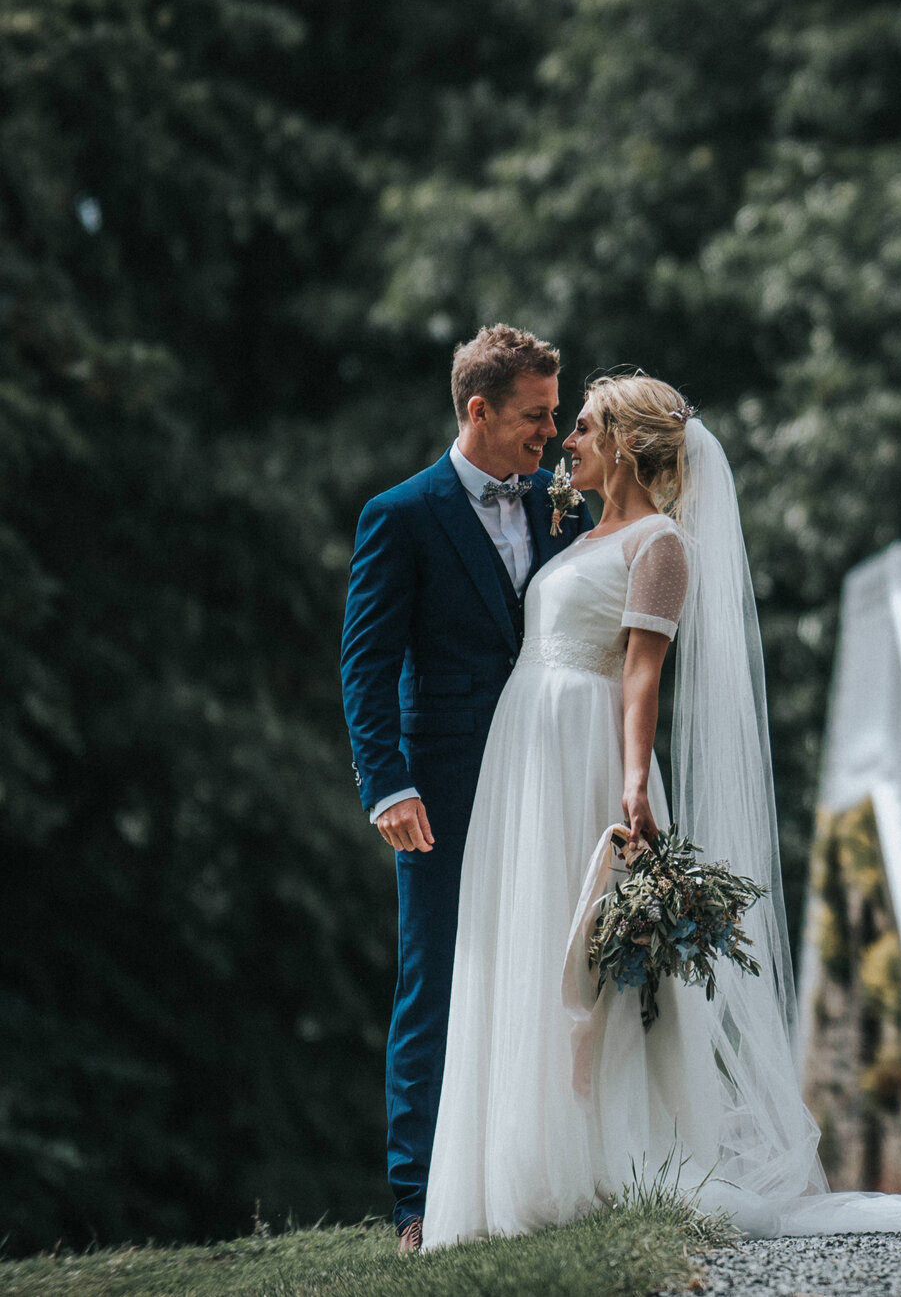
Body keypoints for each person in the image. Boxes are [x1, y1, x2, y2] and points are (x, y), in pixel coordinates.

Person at [423, 373, 901, 1247]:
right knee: (526, 947)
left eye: (586, 425)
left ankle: (598, 1158)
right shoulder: (580, 531)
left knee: (587, 968)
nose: (569, 440)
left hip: (586, 757)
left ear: (628, 443)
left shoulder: (662, 544)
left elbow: (643, 673)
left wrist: (634, 783)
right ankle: (516, 1167)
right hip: (525, 755)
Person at [340, 325, 590, 1255]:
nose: (552, 432)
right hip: (440, 785)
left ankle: (533, 1168)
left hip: (547, 774)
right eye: (537, 413)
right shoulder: (401, 514)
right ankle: (418, 1201)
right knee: (435, 978)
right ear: (478, 410)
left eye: (557, 413)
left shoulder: (561, 508)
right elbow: (365, 664)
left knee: (554, 967)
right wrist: (387, 784)